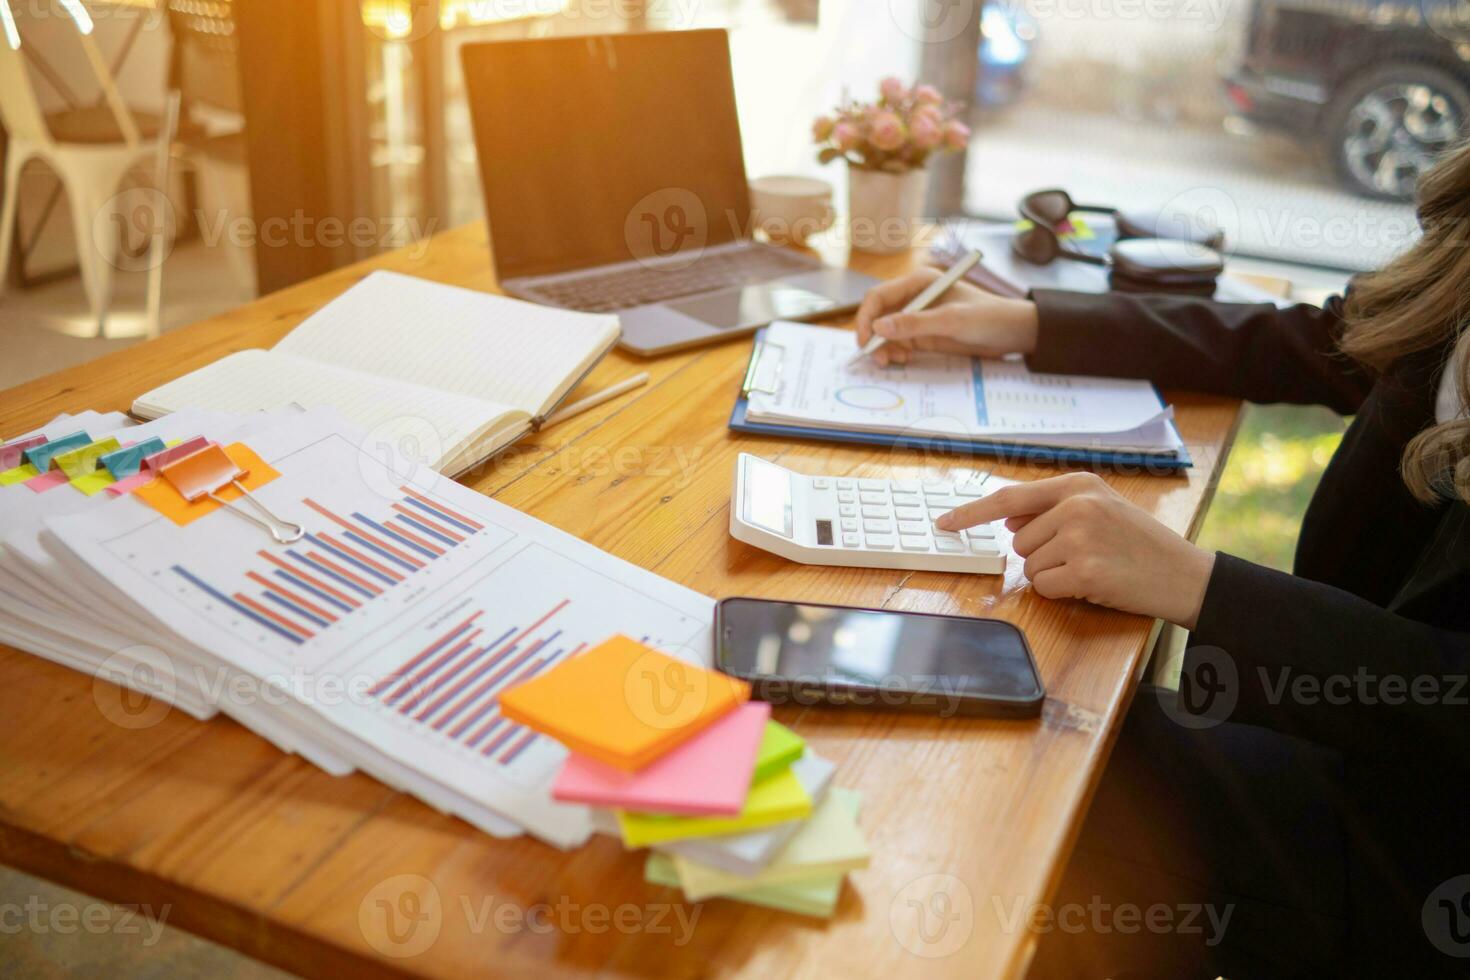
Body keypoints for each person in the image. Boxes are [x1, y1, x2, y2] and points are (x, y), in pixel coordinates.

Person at [853, 143, 1470, 978]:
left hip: (1421, 839)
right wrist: (1035, 321)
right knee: (1056, 692)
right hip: (1338, 711)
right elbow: (1328, 337)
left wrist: (1197, 582)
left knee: (1047, 760)